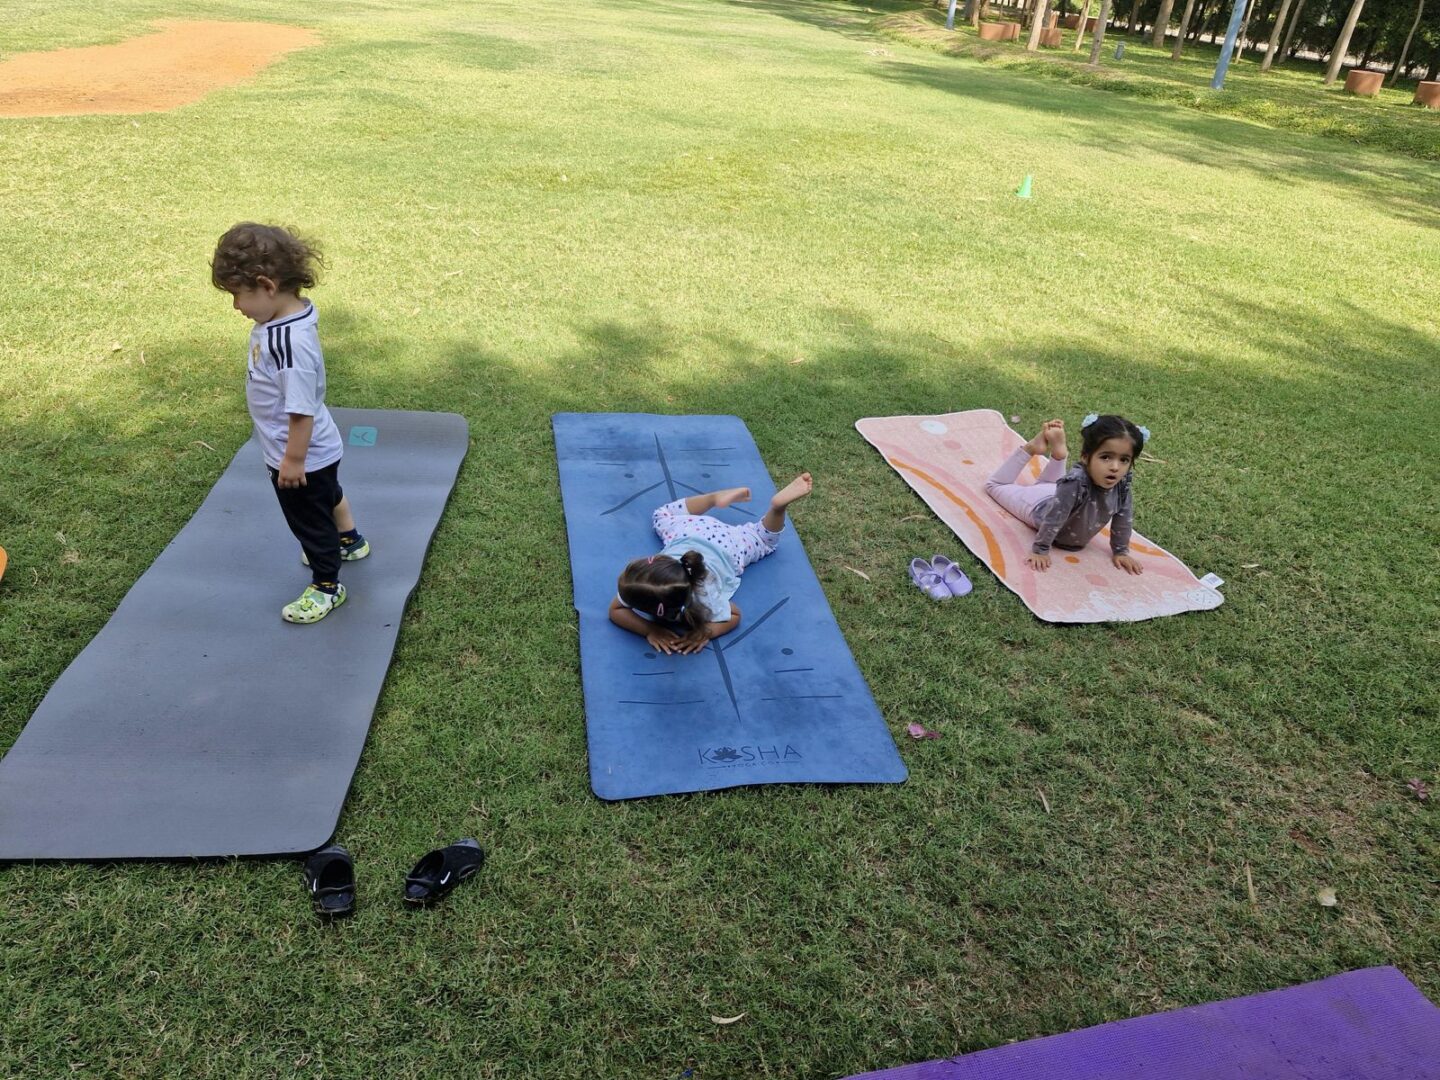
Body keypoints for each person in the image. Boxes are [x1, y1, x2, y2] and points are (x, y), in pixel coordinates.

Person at [211, 223, 368, 623]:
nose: (236, 306)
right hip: (318, 450)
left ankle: (327, 585)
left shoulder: (288, 344)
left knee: (310, 522)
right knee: (327, 494)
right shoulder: (290, 317)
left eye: (237, 294)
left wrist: (293, 461)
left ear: (267, 285)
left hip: (299, 454)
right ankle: (349, 539)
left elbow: (300, 411)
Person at [609, 473, 813, 655]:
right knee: (661, 515)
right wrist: (651, 629)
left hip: (728, 546)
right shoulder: (642, 583)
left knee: (762, 539)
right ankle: (712, 499)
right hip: (688, 531)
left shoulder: (703, 599)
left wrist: (705, 632)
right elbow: (615, 610)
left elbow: (735, 615)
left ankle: (778, 508)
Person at [983, 414, 1148, 575]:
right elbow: (1054, 517)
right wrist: (1040, 550)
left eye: (1124, 460)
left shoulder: (1121, 486)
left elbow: (1123, 520)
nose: (1115, 467)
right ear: (1085, 457)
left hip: (1060, 494)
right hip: (1037, 505)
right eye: (1105, 457)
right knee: (994, 485)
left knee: (1050, 485)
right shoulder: (1075, 483)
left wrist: (1121, 551)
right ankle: (1031, 448)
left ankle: (1059, 455)